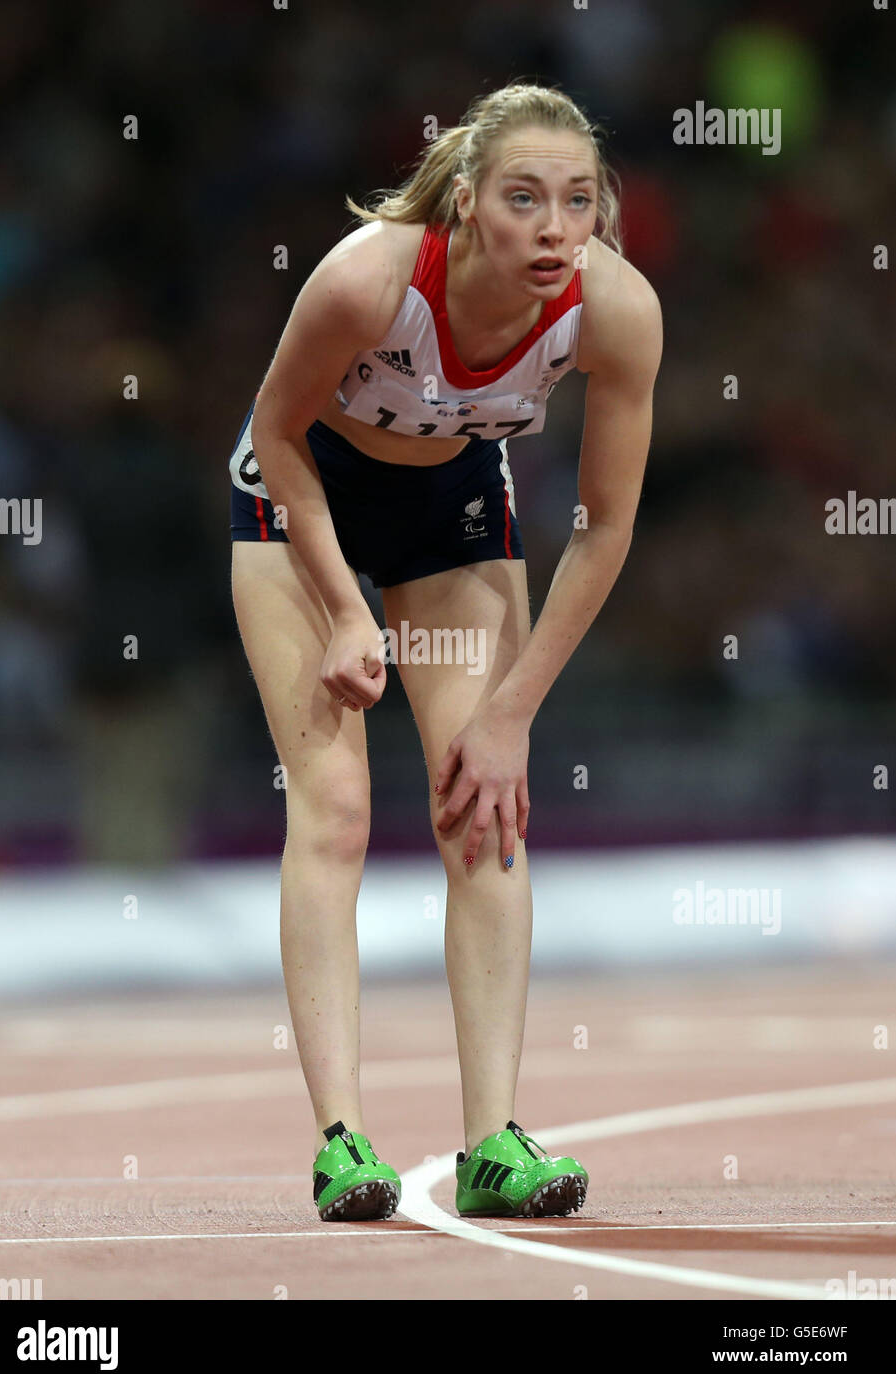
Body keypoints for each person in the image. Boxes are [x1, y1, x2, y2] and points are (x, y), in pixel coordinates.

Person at [229, 82, 662, 1221]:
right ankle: (341, 1143)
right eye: (526, 198)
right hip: (300, 498)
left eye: (580, 201)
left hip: (454, 508)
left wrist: (514, 712)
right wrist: (340, 608)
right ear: (466, 204)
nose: (557, 227)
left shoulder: (616, 311)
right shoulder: (368, 278)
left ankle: (491, 1148)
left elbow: (608, 527)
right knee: (333, 809)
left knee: (484, 804)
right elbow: (275, 431)